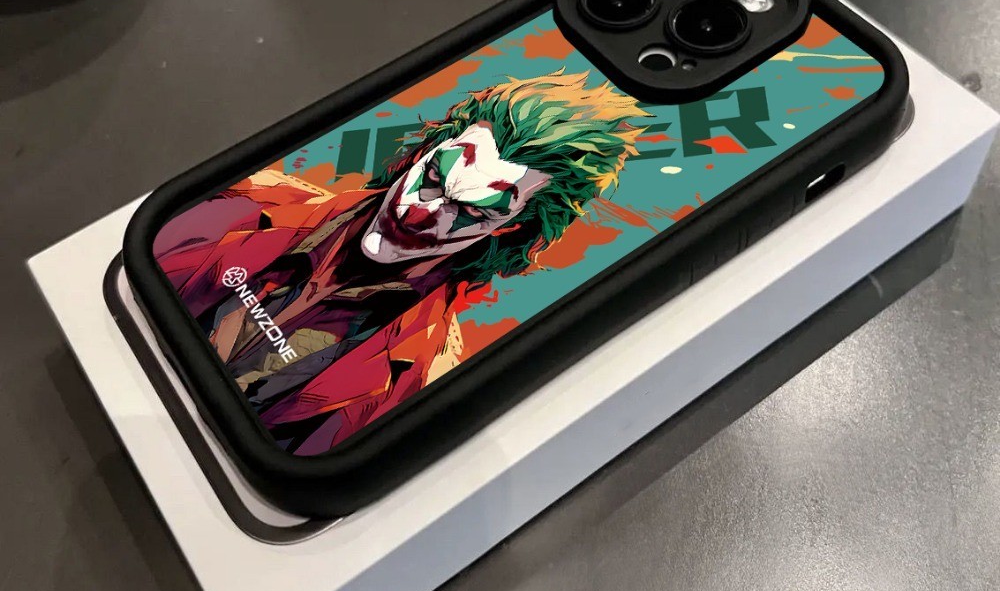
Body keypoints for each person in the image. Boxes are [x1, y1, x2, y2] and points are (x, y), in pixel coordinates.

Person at [155, 72, 650, 454]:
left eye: (470, 211)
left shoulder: (425, 377)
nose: (416, 212)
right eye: (433, 178)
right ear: (424, 152)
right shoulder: (244, 199)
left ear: (511, 230)